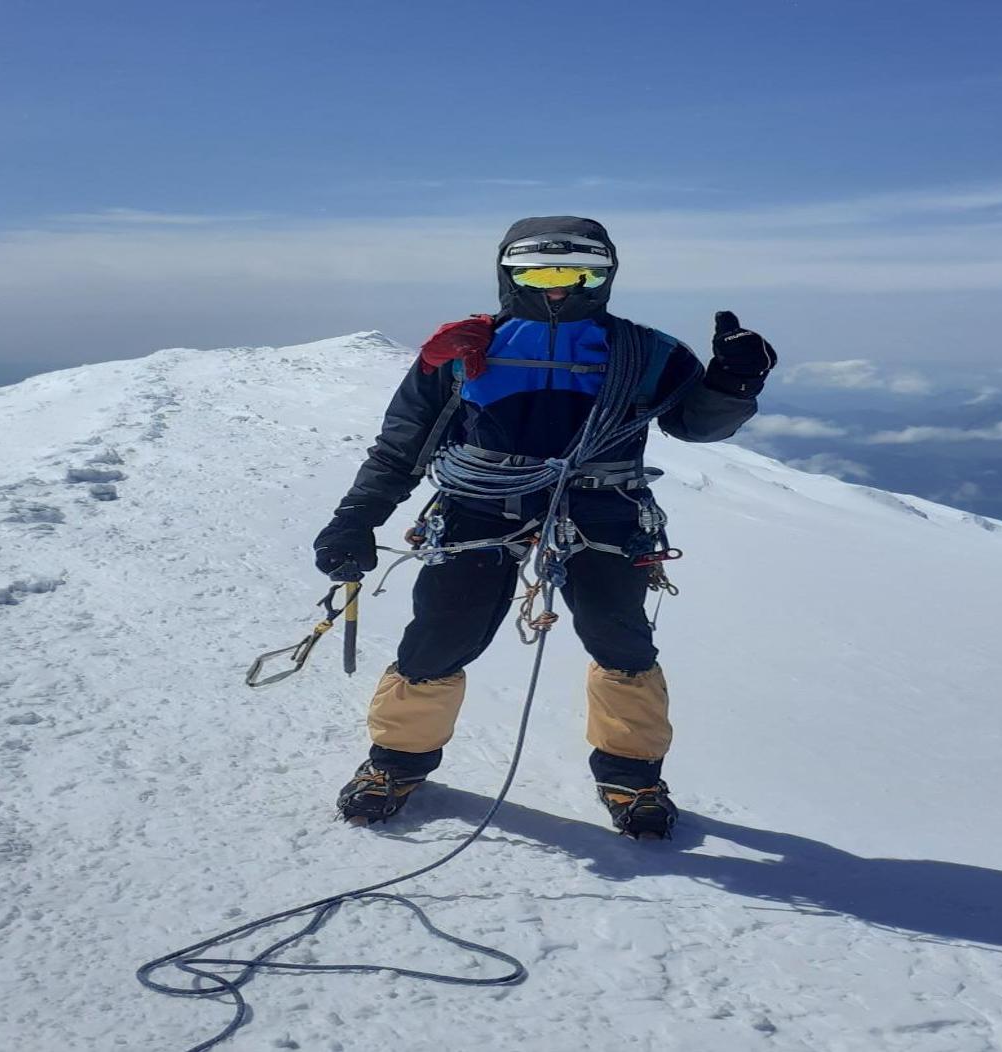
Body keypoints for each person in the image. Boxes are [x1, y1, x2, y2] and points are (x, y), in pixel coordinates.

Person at [311, 216, 776, 838]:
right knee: (440, 637)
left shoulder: (647, 352)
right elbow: (402, 448)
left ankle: (632, 775)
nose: (557, 290)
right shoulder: (461, 349)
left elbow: (694, 425)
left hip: (599, 505)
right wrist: (354, 520)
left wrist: (732, 382)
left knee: (622, 642)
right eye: (538, 273)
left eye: (579, 273)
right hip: (487, 504)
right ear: (508, 274)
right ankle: (395, 763)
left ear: (605, 275)